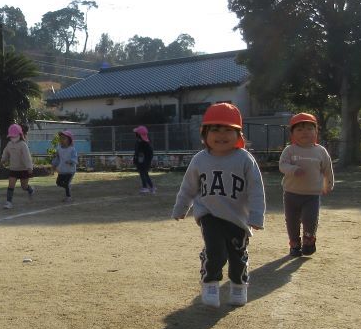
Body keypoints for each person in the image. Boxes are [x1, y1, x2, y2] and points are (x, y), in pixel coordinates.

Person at [171, 102, 266, 308]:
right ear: (204, 133)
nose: (221, 135)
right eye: (215, 129)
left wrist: (257, 216)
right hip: (209, 214)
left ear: (239, 135)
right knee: (216, 252)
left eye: (228, 130)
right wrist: (181, 208)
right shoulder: (199, 160)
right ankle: (210, 282)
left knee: (237, 256)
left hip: (238, 218)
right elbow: (188, 187)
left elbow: (256, 191)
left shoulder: (245, 160)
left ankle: (239, 286)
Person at [278, 112, 335, 257]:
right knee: (292, 221)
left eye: (309, 129)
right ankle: (294, 245)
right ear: (292, 133)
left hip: (312, 195)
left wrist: (329, 183)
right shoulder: (289, 150)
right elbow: (282, 165)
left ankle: (309, 241)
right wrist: (293, 169)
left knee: (310, 219)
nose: (305, 132)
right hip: (291, 193)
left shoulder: (320, 151)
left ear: (316, 132)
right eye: (299, 129)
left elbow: (327, 169)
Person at [0, 123, 35, 209]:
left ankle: (30, 190)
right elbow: (6, 153)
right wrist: (3, 160)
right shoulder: (9, 144)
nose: (13, 138)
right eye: (11, 136)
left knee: (24, 187)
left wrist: (29, 167)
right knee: (10, 185)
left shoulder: (23, 145)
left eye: (14, 136)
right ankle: (8, 202)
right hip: (13, 169)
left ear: (20, 134)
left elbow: (27, 157)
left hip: (23, 170)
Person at [51, 129, 78, 202]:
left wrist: (71, 161)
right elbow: (57, 158)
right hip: (62, 170)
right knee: (58, 183)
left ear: (69, 140)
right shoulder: (59, 149)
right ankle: (68, 186)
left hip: (70, 170)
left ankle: (68, 197)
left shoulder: (72, 149)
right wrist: (54, 165)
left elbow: (75, 158)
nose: (61, 140)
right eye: (60, 138)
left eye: (64, 138)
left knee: (66, 183)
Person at [133, 125, 155, 193]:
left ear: (139, 134)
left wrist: (139, 161)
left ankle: (145, 187)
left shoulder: (143, 143)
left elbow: (141, 153)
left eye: (136, 133)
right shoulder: (144, 143)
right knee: (145, 173)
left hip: (143, 162)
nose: (135, 134)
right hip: (144, 161)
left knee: (143, 173)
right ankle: (151, 187)